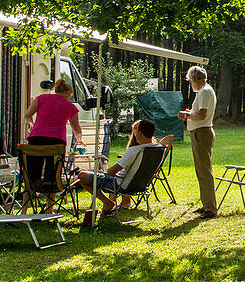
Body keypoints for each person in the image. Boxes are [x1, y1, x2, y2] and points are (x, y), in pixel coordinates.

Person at [76, 119, 163, 216]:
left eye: (136, 129)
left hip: (121, 185)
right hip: (141, 185)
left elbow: (112, 172)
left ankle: (107, 202)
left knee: (82, 175)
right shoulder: (158, 148)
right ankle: (111, 202)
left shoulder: (134, 150)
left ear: (140, 133)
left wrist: (105, 171)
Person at [22, 78, 85, 212]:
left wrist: (33, 126)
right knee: (53, 173)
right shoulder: (70, 107)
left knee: (31, 173)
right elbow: (76, 129)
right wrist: (79, 140)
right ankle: (49, 209)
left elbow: (27, 115)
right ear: (68, 93)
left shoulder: (41, 98)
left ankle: (24, 209)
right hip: (56, 142)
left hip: (36, 139)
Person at [178, 65, 217, 218]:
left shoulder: (204, 92)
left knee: (204, 171)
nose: (190, 84)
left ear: (194, 79)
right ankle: (207, 204)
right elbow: (200, 114)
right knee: (201, 171)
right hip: (200, 132)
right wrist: (190, 114)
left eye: (190, 81)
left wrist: (186, 115)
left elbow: (201, 116)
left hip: (201, 133)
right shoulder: (205, 91)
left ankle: (210, 208)